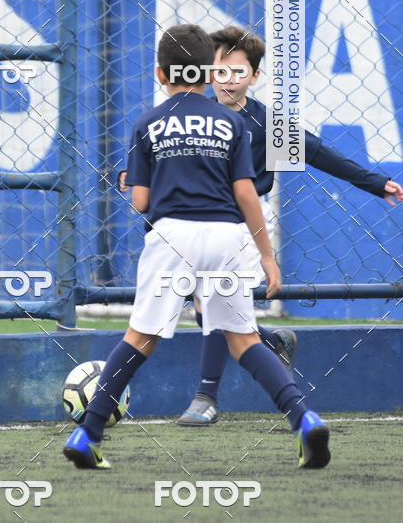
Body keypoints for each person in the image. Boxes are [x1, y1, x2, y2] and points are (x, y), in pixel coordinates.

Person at [63, 24, 330, 470]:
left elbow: (141, 201)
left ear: (159, 74)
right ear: (209, 73)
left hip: (172, 237)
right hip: (226, 237)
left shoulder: (147, 123)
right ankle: (304, 418)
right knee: (244, 339)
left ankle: (87, 434)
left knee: (140, 337)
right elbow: (246, 193)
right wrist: (266, 256)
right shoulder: (231, 122)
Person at [120, 25, 403, 425]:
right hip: (194, 227)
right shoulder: (185, 117)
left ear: (254, 77)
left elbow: (319, 152)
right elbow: (162, 162)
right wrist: (130, 175)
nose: (229, 80)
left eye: (239, 72)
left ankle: (206, 397)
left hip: (242, 227)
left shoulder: (267, 127)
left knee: (210, 303)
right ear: (205, 72)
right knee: (209, 310)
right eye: (221, 71)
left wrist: (375, 182)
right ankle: (272, 342)